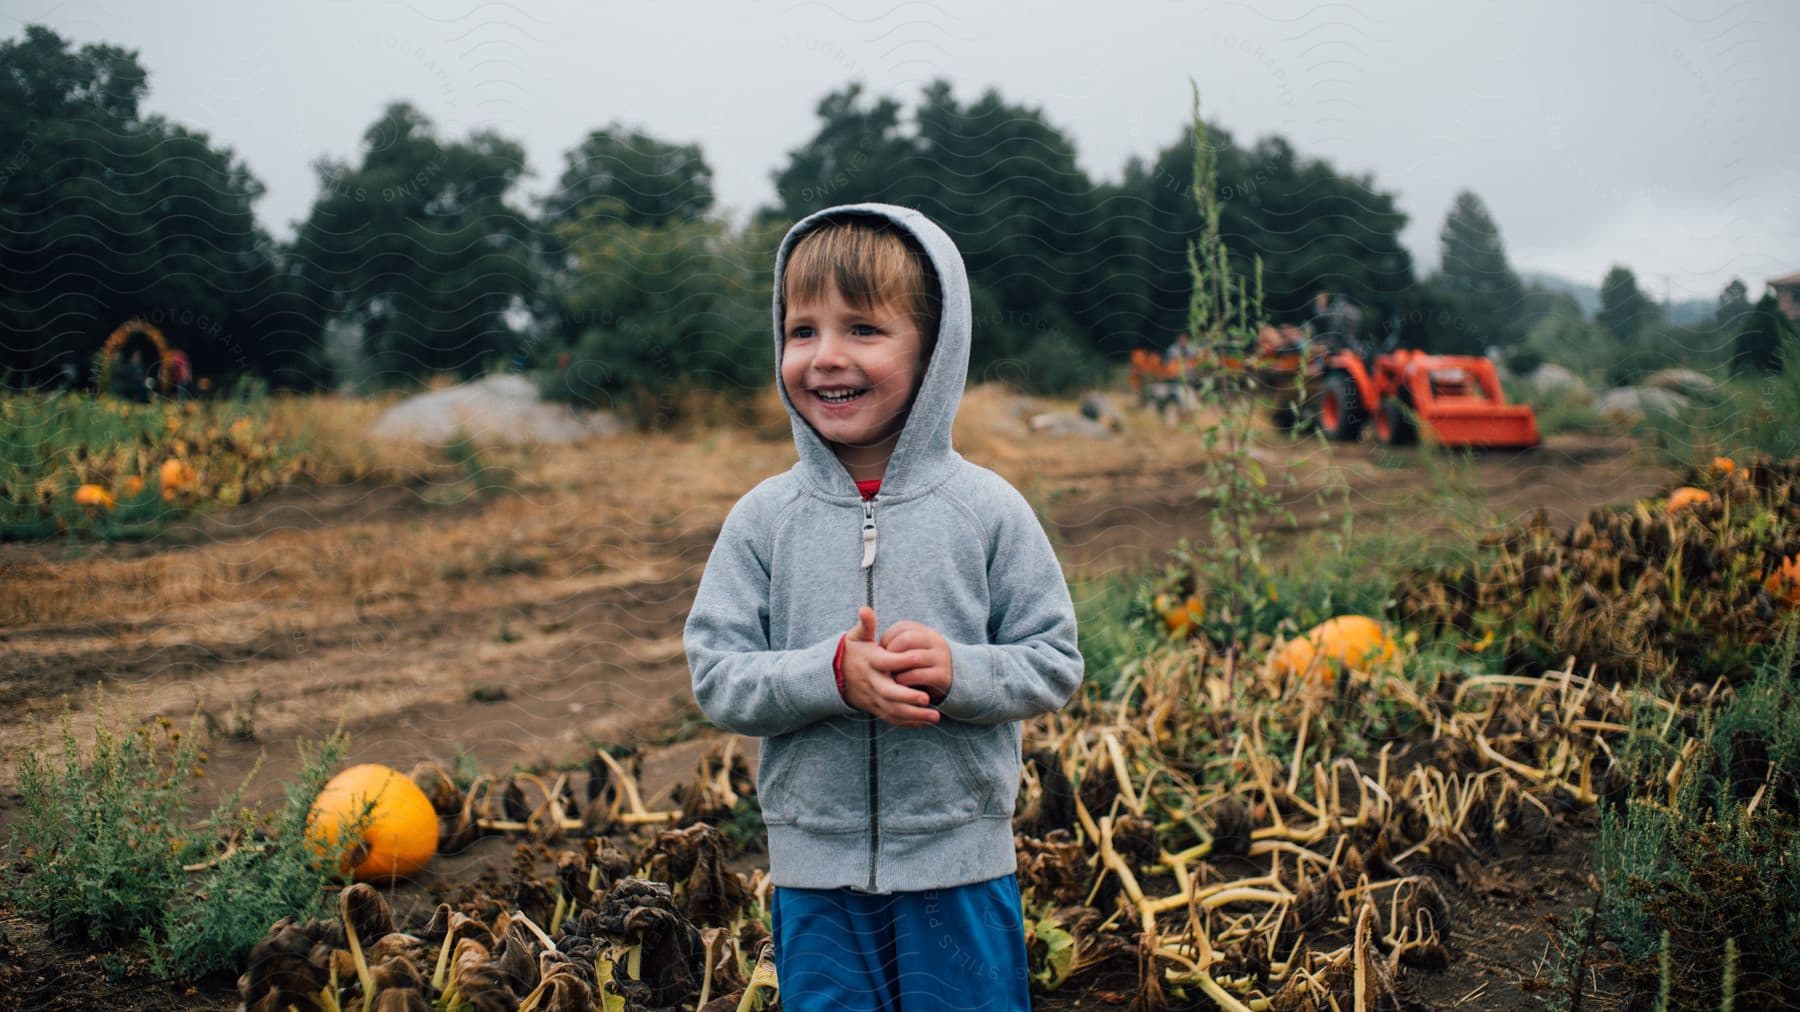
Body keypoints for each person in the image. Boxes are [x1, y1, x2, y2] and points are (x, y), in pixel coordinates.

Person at [685, 204, 1083, 1010]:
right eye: (802, 331)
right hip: (816, 876)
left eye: (863, 329)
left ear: (935, 350)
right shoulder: (765, 519)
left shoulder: (987, 510)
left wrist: (959, 671)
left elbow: (1053, 660)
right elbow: (717, 674)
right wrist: (827, 674)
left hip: (959, 869)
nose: (825, 357)